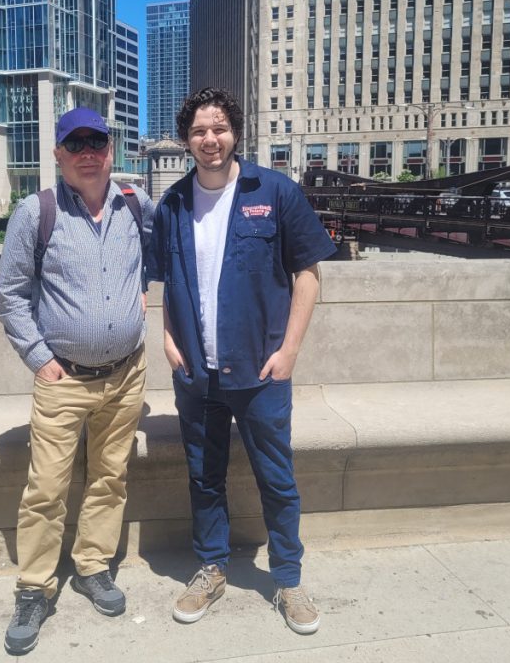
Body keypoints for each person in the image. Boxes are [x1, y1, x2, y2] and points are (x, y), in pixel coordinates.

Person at [148, 87, 335, 635]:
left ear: (235, 133)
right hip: (196, 374)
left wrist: (290, 350)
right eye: (200, 131)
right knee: (204, 478)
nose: (210, 139)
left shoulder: (274, 192)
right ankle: (212, 568)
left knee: (276, 478)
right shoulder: (174, 203)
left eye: (219, 128)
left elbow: (308, 274)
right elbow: (168, 279)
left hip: (260, 371)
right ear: (187, 141)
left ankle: (288, 578)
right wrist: (168, 338)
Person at [0, 106, 153, 655]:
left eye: (98, 142)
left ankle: (92, 566)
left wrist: (144, 298)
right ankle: (34, 587)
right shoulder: (34, 212)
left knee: (110, 477)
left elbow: (172, 252)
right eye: (76, 143)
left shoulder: (135, 205)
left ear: (111, 151)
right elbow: (10, 296)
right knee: (46, 488)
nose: (89, 152)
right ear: (59, 155)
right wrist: (40, 358)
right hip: (63, 378)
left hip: (127, 373)